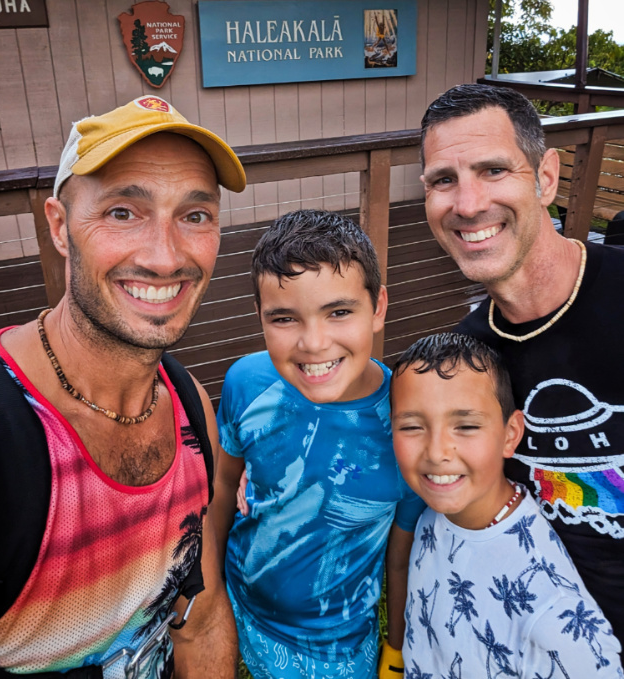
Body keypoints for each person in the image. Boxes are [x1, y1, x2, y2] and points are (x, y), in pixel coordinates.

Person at [0, 95, 245, 679]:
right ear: (59, 227)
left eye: (195, 215)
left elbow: (201, 617)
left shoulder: (188, 407)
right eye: (121, 212)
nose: (165, 257)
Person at [420, 82, 624, 647]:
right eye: (444, 180)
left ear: (547, 178)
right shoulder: (468, 361)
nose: (467, 204)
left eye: (493, 171)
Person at [214, 209, 425, 679]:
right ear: (260, 318)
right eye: (285, 318)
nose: (314, 343)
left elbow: (400, 555)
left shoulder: (409, 425)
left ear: (379, 307)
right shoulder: (245, 383)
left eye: (339, 312)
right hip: (236, 604)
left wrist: (395, 650)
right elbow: (223, 487)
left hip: (335, 648)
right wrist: (207, 590)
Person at [391, 331, 623, 678]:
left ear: (511, 434)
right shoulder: (432, 515)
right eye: (411, 426)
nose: (437, 453)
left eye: (466, 426)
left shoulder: (556, 614)